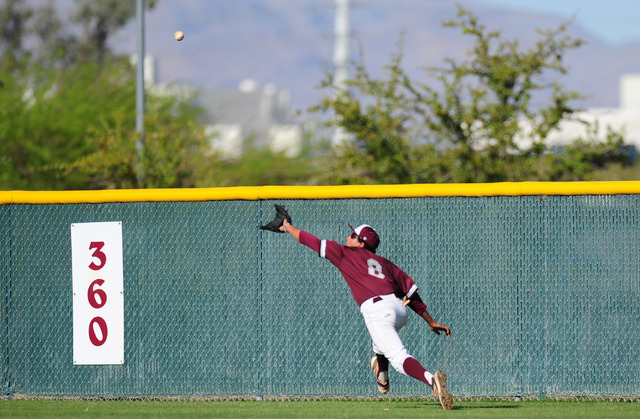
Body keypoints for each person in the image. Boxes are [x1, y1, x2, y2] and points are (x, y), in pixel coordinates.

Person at [279, 219, 454, 410]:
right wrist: (430, 320)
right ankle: (382, 377)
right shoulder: (385, 263)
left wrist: (287, 227)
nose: (348, 237)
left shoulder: (345, 253)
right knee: (379, 342)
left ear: (360, 243)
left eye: (352, 235)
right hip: (399, 309)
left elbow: (310, 241)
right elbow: (411, 294)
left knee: (397, 356)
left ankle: (431, 380)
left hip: (377, 309)